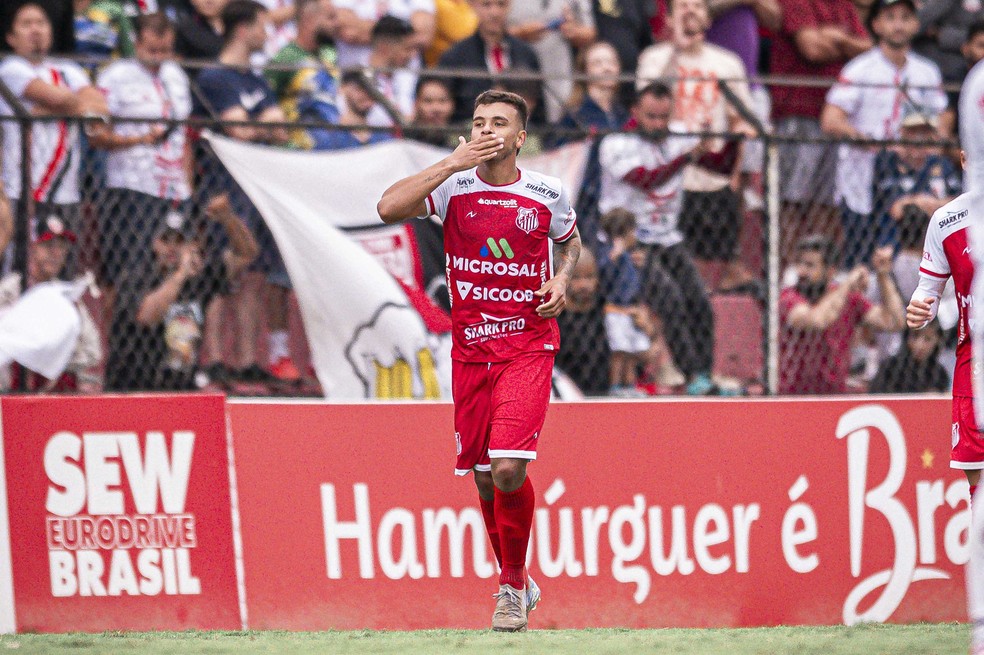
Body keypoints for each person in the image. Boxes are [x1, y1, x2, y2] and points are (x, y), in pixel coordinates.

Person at [377, 89, 581, 631]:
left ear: (519, 138)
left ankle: (510, 589)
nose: (487, 129)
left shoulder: (546, 192)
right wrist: (450, 162)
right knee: (486, 478)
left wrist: (561, 279)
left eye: (499, 123)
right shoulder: (452, 187)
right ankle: (517, 578)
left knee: (510, 467)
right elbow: (386, 207)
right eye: (478, 122)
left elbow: (570, 239)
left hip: (528, 346)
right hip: (470, 354)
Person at [597, 81, 735, 395]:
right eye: (650, 117)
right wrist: (688, 156)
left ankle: (705, 373)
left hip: (668, 237)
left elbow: (721, 166)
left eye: (663, 117)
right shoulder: (617, 143)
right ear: (635, 112)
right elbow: (646, 179)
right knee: (670, 299)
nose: (658, 124)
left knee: (700, 300)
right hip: (628, 240)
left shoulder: (678, 136)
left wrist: (724, 137)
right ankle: (690, 375)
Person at [194, 0, 299, 385]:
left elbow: (281, 128)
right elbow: (238, 132)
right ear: (242, 28)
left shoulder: (255, 81)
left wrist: (257, 125)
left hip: (258, 185)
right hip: (224, 185)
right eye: (260, 25)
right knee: (225, 270)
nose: (265, 33)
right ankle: (217, 357)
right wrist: (261, 125)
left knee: (254, 273)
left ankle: (247, 359)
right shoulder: (215, 77)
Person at [635, 0, 756, 292]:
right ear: (671, 18)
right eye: (683, 6)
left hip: (712, 178)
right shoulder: (654, 58)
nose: (691, 10)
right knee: (667, 268)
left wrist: (735, 173)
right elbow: (648, 104)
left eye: (699, 6)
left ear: (708, 19)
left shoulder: (727, 63)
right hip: (667, 176)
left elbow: (743, 122)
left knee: (711, 272)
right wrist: (676, 49)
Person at [820, 0, 948, 268]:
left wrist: (928, 144)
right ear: (876, 24)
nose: (898, 25)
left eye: (905, 17)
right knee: (862, 257)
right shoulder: (860, 69)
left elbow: (942, 116)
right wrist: (872, 142)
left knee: (912, 256)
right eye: (890, 17)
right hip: (863, 176)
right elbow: (831, 119)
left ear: (916, 23)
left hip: (911, 179)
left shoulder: (926, 71)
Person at [104, 195, 259, 391]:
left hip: (180, 387)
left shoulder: (199, 278)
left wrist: (228, 219)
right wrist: (181, 274)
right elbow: (147, 316)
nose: (171, 248)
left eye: (179, 241)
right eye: (165, 240)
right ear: (155, 244)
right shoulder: (136, 276)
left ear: (191, 246)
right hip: (132, 387)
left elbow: (246, 254)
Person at [0, 2, 108, 277]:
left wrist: (48, 110)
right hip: (25, 189)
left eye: (41, 23)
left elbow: (101, 106)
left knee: (62, 272)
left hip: (66, 192)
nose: (35, 29)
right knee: (22, 271)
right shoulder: (11, 69)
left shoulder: (68, 69)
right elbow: (58, 97)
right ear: (11, 38)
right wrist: (74, 106)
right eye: (26, 24)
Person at [90, 12, 193, 301]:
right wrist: (139, 140)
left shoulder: (177, 76)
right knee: (125, 273)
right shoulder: (115, 76)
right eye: (151, 50)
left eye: (165, 50)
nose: (158, 57)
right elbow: (96, 135)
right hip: (131, 187)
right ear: (136, 44)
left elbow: (184, 138)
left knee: (169, 273)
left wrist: (188, 187)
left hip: (173, 188)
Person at [771, 0, 871, 268]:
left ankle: (822, 272)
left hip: (837, 115)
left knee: (826, 204)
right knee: (792, 200)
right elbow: (812, 49)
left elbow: (869, 49)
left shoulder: (843, 6)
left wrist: (837, 39)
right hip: (798, 111)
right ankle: (787, 274)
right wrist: (845, 43)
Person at [905, 191, 979, 493]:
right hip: (974, 366)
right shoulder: (947, 220)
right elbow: (928, 291)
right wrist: (920, 308)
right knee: (978, 478)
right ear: (964, 158)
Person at [779, 235, 905, 394]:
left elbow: (894, 322)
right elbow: (817, 320)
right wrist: (848, 282)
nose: (801, 271)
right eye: (799, 263)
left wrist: (883, 275)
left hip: (834, 395)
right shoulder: (789, 298)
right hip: (793, 395)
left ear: (830, 271)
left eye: (810, 265)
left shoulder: (847, 298)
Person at [438, 0, 542, 124]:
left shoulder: (526, 53)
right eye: (486, 4)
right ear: (473, 6)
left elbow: (539, 106)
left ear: (510, 6)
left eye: (501, 4)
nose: (495, 12)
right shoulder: (455, 56)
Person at [265, 0, 342, 150]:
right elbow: (267, 99)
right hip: (295, 151)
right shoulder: (286, 58)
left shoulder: (330, 54)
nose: (337, 23)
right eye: (330, 17)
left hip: (332, 150)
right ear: (309, 20)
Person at [506, 0, 596, 123]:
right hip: (517, 71)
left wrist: (573, 31)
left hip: (559, 72)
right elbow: (490, 27)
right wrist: (521, 33)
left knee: (560, 122)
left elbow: (590, 32)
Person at [596, 208, 649, 396]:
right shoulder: (609, 254)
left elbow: (636, 284)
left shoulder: (630, 257)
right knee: (619, 350)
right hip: (615, 310)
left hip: (630, 309)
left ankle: (630, 385)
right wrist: (614, 257)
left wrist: (638, 266)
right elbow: (603, 277)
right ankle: (616, 385)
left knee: (632, 350)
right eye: (632, 231)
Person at [555, 247, 610, 395]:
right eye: (576, 278)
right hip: (562, 392)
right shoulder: (554, 316)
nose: (584, 285)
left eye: (589, 277)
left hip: (602, 392)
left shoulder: (603, 309)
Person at [332, 0, 434, 68]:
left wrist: (364, 26)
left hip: (405, 85)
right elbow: (347, 29)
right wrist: (403, 30)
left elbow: (423, 34)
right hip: (354, 80)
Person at [364, 14, 417, 126]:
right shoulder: (358, 79)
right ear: (384, 47)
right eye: (407, 49)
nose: (413, 55)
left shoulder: (409, 79)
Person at [319, 70, 394, 148]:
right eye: (359, 88)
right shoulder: (329, 137)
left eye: (372, 90)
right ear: (342, 88)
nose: (367, 94)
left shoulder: (383, 138)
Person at [870, 322, 950, 393]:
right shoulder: (890, 367)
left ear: (937, 341)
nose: (919, 345)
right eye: (915, 336)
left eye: (927, 339)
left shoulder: (939, 373)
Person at [405, 75, 458, 148]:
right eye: (428, 101)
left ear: (452, 104)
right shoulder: (404, 138)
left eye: (442, 101)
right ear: (416, 104)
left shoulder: (461, 141)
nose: (436, 108)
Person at [423, 0, 476, 66]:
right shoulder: (439, 3)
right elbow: (463, 34)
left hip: (462, 66)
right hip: (439, 69)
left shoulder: (460, 3)